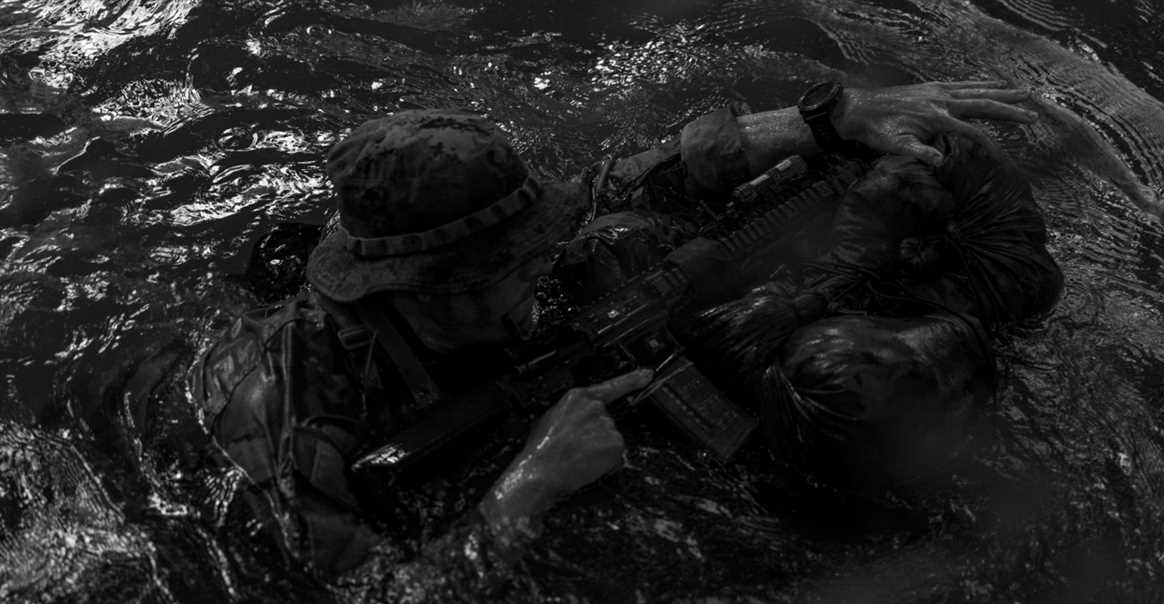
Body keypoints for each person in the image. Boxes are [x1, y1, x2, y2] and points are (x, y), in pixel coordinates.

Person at [192, 80, 1046, 574]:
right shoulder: (279, 408)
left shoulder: (461, 247)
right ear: (432, 288)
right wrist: (527, 486)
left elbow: (621, 186)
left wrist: (826, 120)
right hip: (184, 513)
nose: (543, 264)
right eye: (520, 265)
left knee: (623, 242)